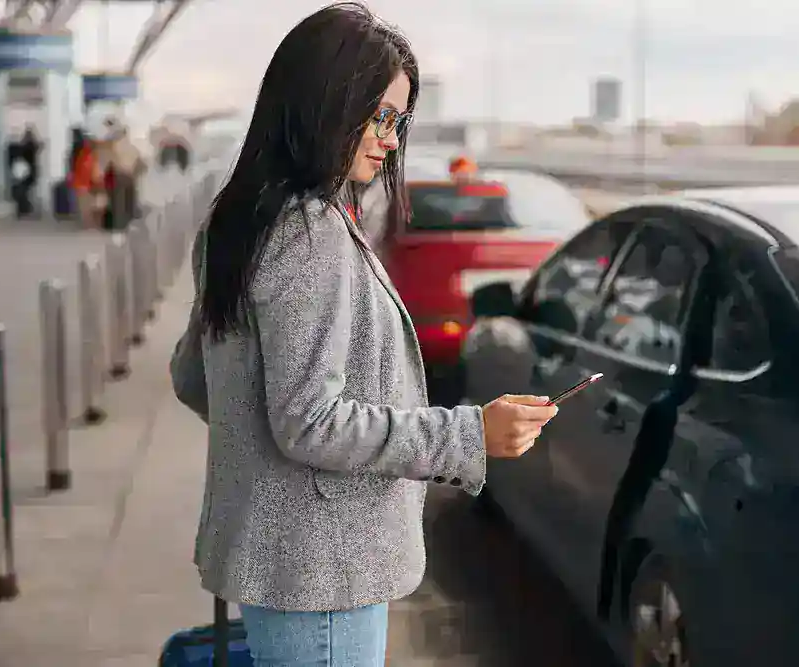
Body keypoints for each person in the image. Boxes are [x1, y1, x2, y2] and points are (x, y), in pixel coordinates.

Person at [168, 3, 558, 665]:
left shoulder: (242, 216)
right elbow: (309, 422)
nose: (391, 139)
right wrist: (469, 434)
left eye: (398, 121)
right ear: (324, 104)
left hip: (289, 566)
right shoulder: (309, 233)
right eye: (378, 117)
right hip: (323, 572)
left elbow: (191, 374)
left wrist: (258, 452)